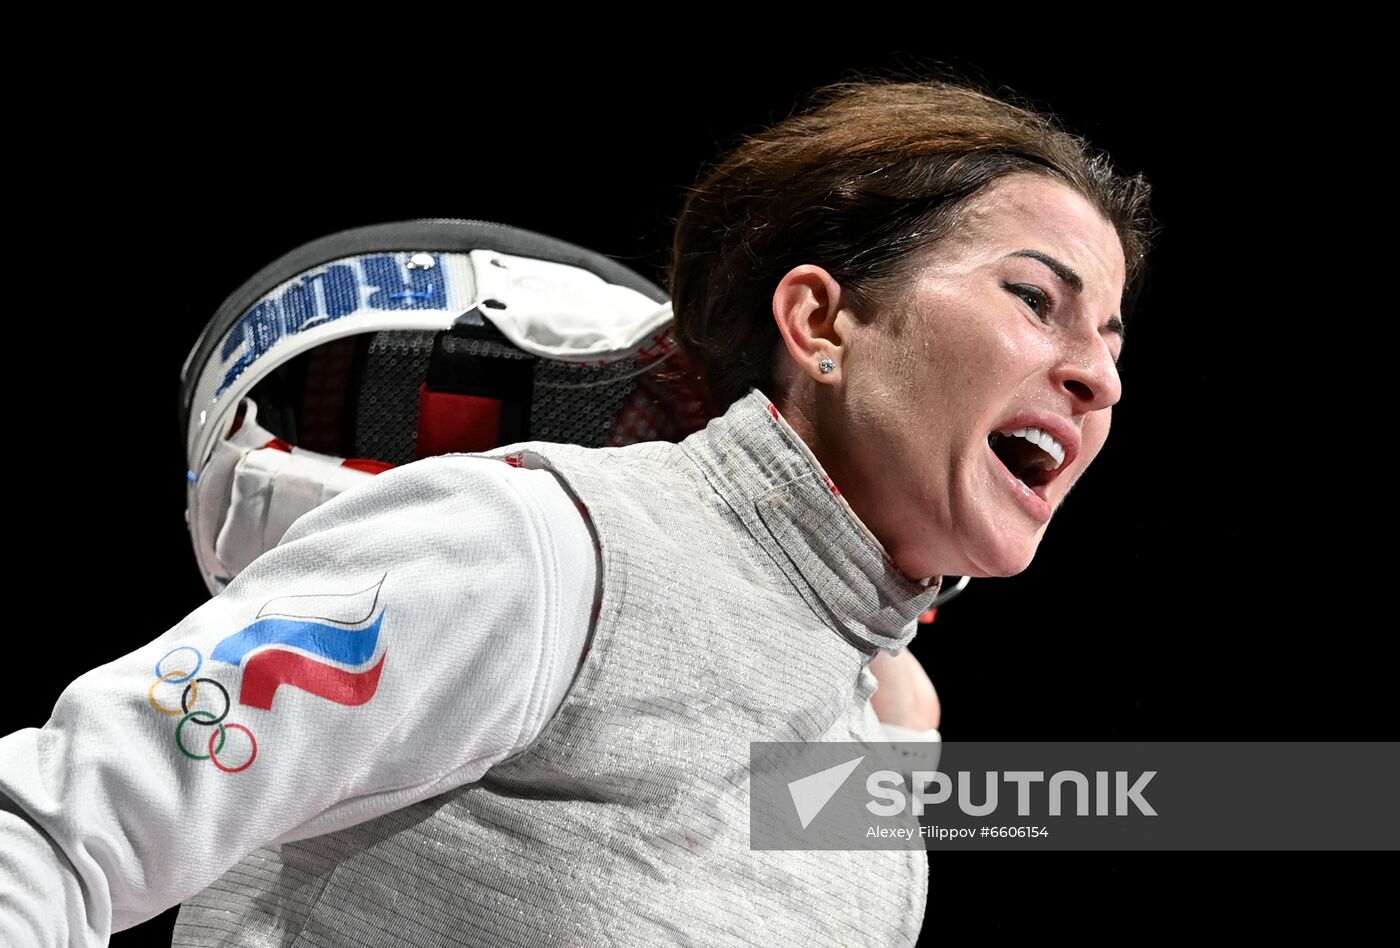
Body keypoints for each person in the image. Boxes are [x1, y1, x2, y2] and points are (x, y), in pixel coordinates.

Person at [0, 72, 1153, 946]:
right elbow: (46, 832)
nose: (1095, 376)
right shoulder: (542, 548)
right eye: (1032, 301)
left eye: (1107, 341)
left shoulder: (881, 731)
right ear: (821, 323)